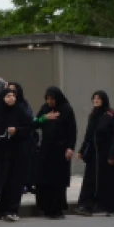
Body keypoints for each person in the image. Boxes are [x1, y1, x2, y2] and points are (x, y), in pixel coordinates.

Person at [32, 87, 78, 219]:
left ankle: (57, 209)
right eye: (48, 99)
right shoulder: (45, 109)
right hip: (46, 149)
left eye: (52, 99)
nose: (50, 101)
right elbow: (34, 123)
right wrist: (44, 118)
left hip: (61, 151)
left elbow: (72, 130)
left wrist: (70, 148)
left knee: (58, 181)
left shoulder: (66, 109)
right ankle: (46, 207)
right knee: (44, 179)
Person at [73, 91, 114, 216]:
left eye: (99, 98)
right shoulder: (93, 114)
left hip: (106, 154)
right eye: (94, 98)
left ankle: (108, 207)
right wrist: (81, 151)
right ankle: (86, 205)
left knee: (106, 181)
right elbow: (88, 135)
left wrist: (113, 154)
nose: (96, 100)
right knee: (90, 180)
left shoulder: (110, 114)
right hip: (93, 154)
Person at [0, 83, 35, 223]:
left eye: (13, 95)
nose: (11, 98)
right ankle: (3, 209)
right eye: (7, 95)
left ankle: (12, 209)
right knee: (4, 181)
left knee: (16, 182)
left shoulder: (20, 111)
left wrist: (16, 130)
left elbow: (29, 127)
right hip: (3, 152)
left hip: (18, 152)